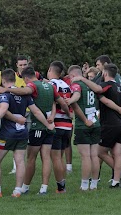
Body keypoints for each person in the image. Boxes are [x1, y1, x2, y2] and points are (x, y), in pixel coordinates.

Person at [0, 66, 61, 195]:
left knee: (31, 158)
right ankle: (44, 188)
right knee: (46, 158)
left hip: (37, 127)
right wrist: (53, 116)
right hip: (50, 125)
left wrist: (6, 89)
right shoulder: (49, 85)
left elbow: (25, 92)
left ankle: (25, 187)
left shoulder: (32, 85)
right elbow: (56, 102)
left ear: (27, 78)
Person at [0, 69, 43, 198]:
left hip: (7, 134)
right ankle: (17, 191)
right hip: (22, 132)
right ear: (15, 80)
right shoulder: (24, 94)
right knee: (20, 161)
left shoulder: (5, 94)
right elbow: (36, 111)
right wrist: (48, 123)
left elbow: (3, 109)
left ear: (3, 81)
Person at [72, 63, 121, 188]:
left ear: (104, 73)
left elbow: (101, 94)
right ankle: (116, 182)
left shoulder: (106, 85)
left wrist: (83, 78)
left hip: (111, 124)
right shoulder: (120, 86)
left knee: (99, 152)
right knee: (117, 153)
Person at [66, 65, 100, 190]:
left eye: (70, 77)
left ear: (73, 76)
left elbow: (76, 96)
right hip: (95, 123)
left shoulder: (76, 85)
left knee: (85, 156)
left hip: (83, 125)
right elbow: (99, 89)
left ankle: (84, 185)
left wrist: (70, 100)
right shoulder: (89, 84)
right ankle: (94, 184)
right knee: (94, 155)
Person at [46, 61, 73, 193]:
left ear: (50, 70)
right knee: (60, 157)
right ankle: (63, 184)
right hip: (67, 125)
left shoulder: (51, 85)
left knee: (55, 157)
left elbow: (58, 102)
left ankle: (61, 187)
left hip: (56, 123)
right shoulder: (66, 85)